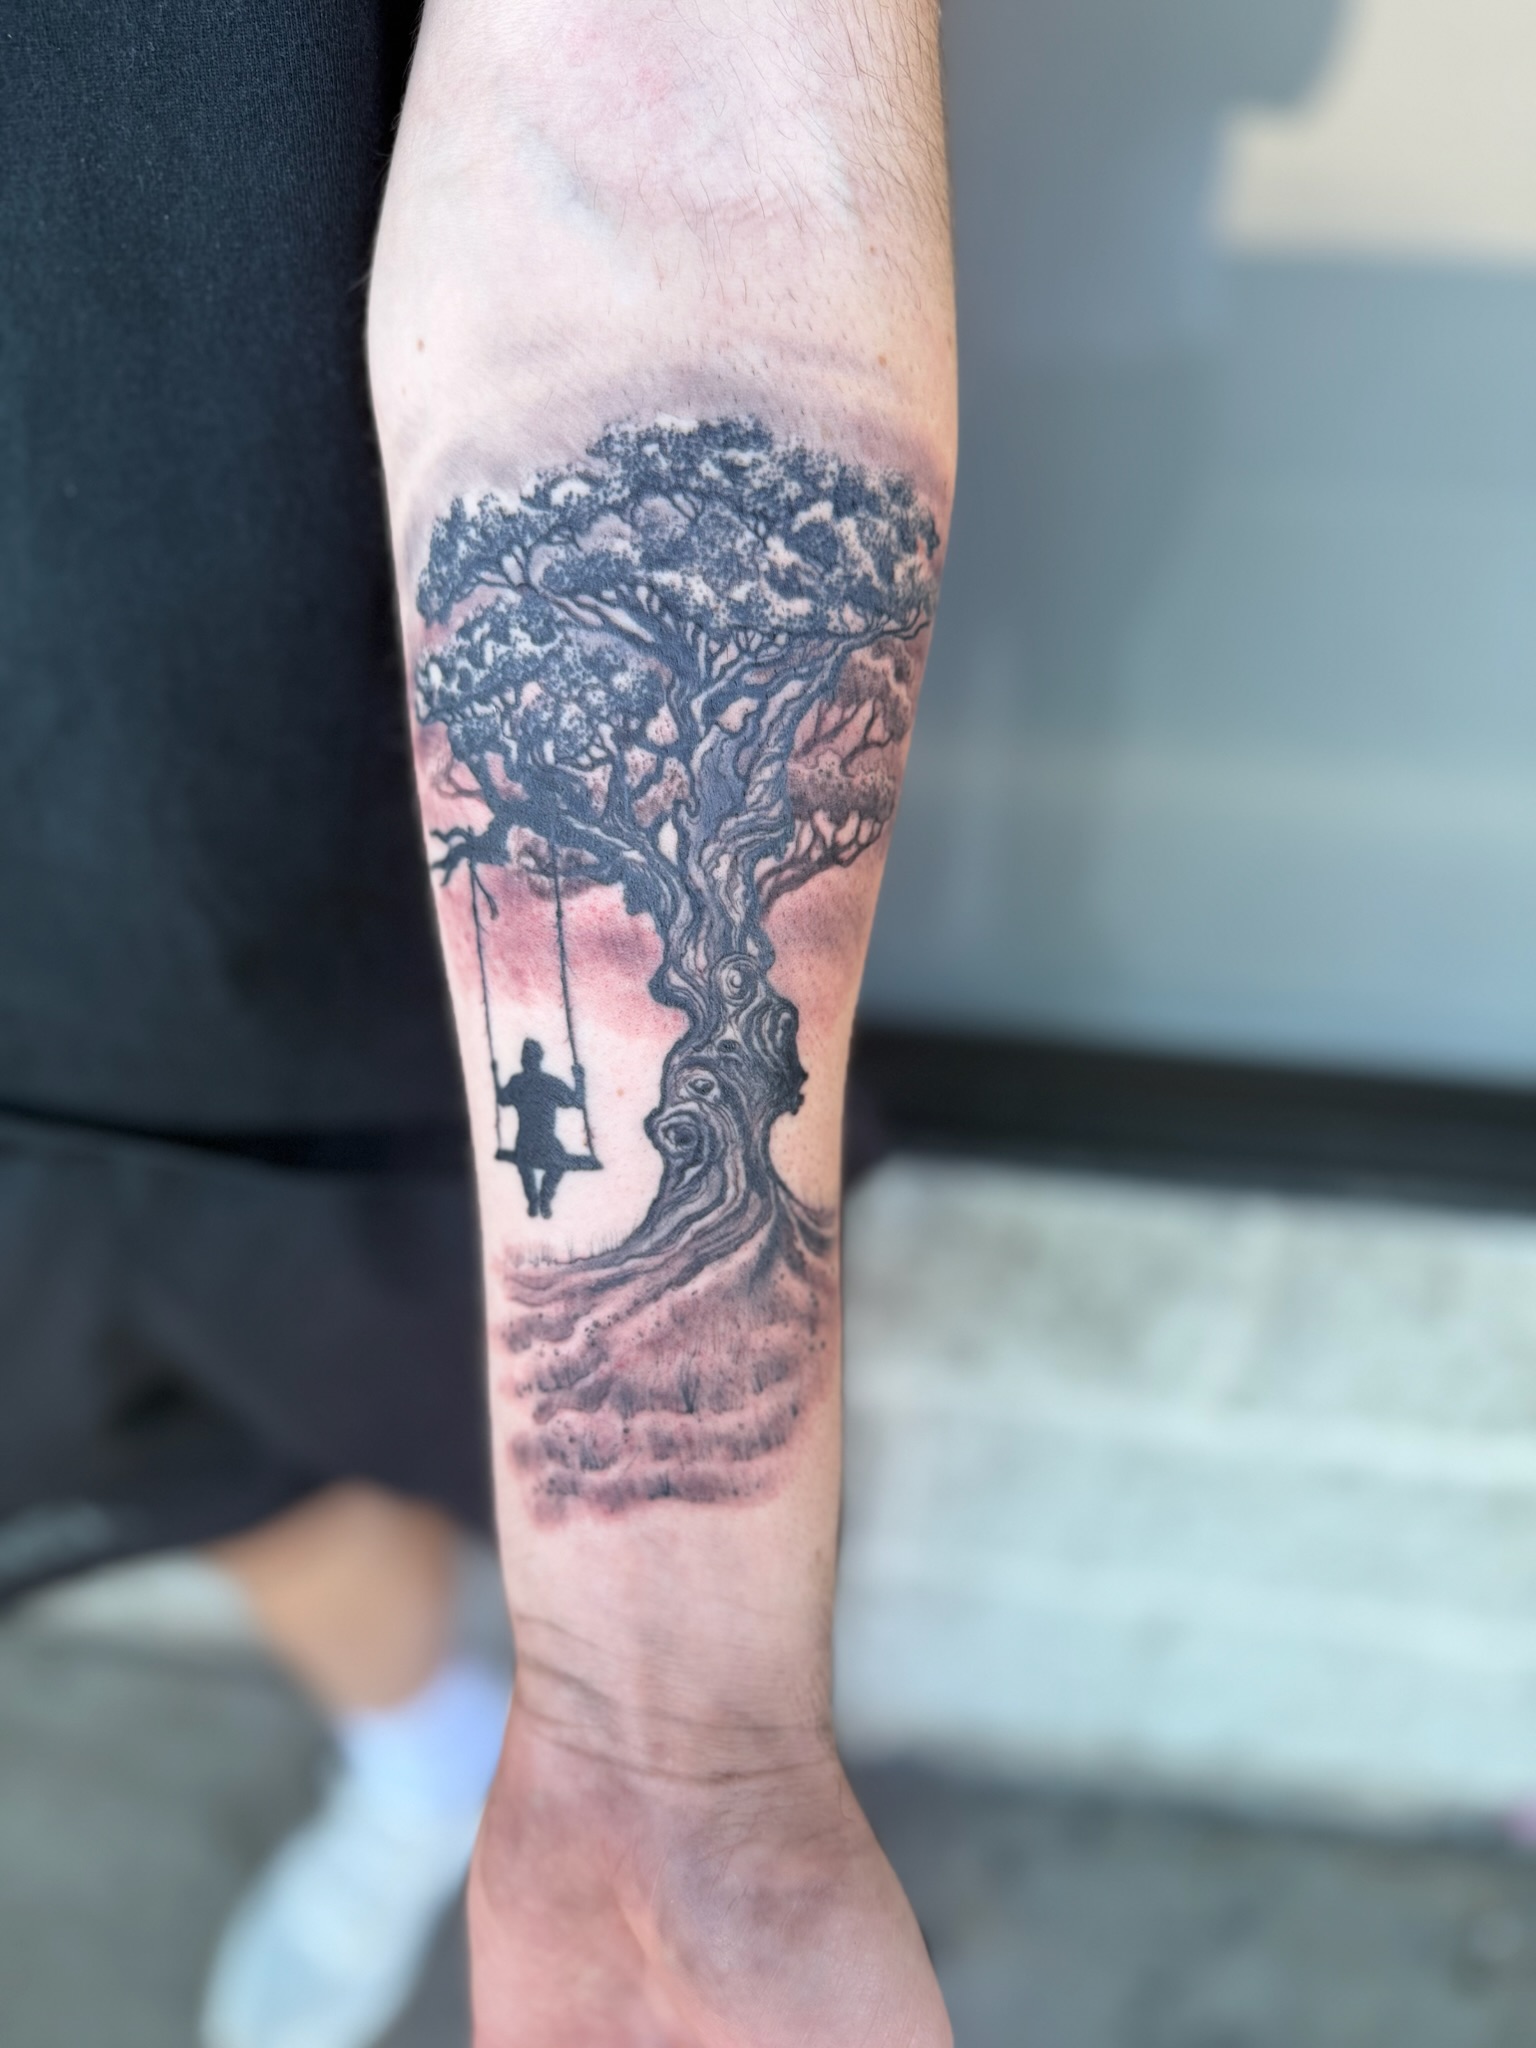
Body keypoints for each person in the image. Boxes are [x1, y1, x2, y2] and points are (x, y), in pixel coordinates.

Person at [2, 5, 957, 2047]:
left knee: (332, 1374)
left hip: (308, 922)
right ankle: (417, 1751)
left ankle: (491, 1757)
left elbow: (675, 134)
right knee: (158, 1449)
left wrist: (670, 1739)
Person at [496, 1041, 586, 1219]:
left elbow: (503, 1099)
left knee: (524, 1165)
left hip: (524, 1143)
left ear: (523, 1060)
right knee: (557, 1164)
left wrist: (495, 1077)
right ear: (540, 1058)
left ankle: (533, 1199)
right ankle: (545, 1198)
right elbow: (577, 1101)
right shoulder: (550, 1083)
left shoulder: (517, 1082)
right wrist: (579, 1078)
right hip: (546, 1143)